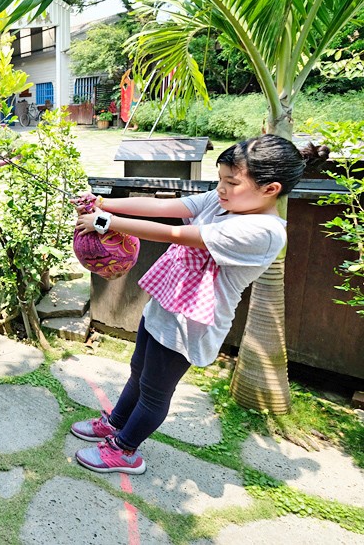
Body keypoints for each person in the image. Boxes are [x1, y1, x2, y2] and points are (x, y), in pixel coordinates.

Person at [70, 134, 318, 475]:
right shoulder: (225, 201)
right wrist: (105, 204)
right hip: (164, 305)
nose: (221, 189)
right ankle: (116, 422)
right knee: (138, 372)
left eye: (231, 182)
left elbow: (175, 234)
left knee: (154, 392)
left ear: (270, 189)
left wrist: (103, 222)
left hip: (190, 324)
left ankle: (125, 449)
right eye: (220, 180)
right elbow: (165, 208)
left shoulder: (262, 231)